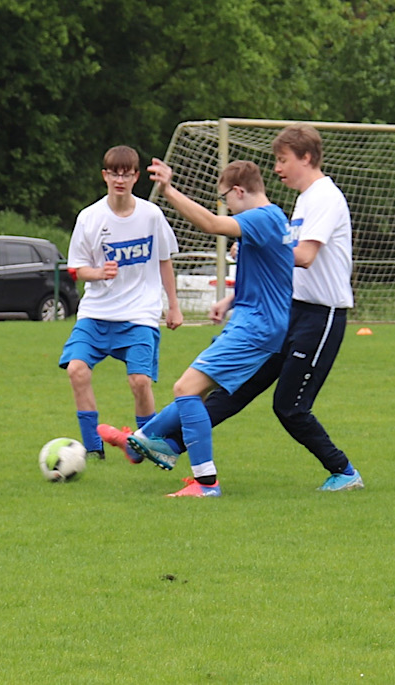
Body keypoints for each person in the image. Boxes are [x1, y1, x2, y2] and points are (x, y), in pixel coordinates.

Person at [133, 124, 364, 492]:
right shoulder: (301, 200)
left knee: (290, 407)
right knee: (233, 390)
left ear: (306, 158)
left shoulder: (325, 198)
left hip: (321, 315)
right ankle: (168, 444)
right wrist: (234, 294)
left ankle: (345, 471)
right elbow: (278, 264)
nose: (277, 168)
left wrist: (263, 245)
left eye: (283, 159)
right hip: (288, 310)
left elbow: (303, 256)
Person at [114, 158, 294, 497]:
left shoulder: (261, 217)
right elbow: (271, 276)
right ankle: (141, 440)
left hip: (256, 328)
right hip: (255, 323)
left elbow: (211, 224)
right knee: (196, 390)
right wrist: (230, 301)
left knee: (185, 388)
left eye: (225, 197)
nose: (225, 205)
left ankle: (206, 483)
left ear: (239, 191)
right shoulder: (274, 219)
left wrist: (168, 190)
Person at [58, 145, 182, 460]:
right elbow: (75, 269)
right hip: (97, 313)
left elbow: (165, 260)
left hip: (139, 313)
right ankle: (92, 448)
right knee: (77, 370)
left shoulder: (151, 215)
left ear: (136, 177)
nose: (120, 179)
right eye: (114, 173)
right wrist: (98, 273)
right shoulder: (89, 217)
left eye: (127, 174)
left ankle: (144, 444)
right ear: (105, 176)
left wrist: (174, 304)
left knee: (140, 381)